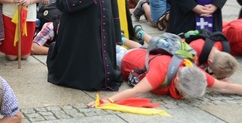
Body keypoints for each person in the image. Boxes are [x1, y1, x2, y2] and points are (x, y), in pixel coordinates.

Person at [88, 42, 242, 107]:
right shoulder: (160, 73)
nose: (184, 97)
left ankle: (120, 39)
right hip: (124, 60)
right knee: (94, 51)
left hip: (145, 54)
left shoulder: (195, 73)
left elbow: (225, 87)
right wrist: (106, 101)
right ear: (177, 81)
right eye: (184, 94)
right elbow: (136, 91)